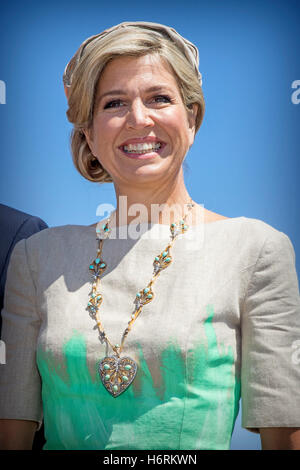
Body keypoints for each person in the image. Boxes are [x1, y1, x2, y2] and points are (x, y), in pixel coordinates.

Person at [0, 21, 299, 450]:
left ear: (192, 119)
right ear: (88, 132)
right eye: (114, 103)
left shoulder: (256, 250)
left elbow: (284, 437)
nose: (139, 119)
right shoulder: (35, 257)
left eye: (159, 98)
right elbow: (11, 434)